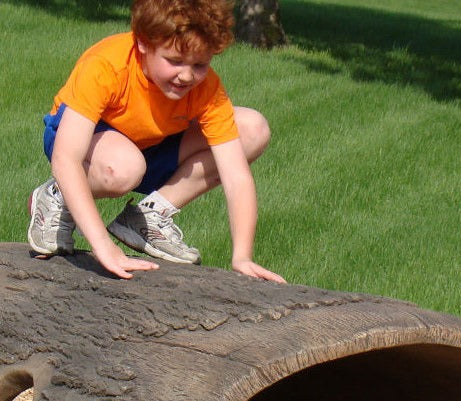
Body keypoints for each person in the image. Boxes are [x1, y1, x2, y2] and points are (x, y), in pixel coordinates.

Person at [27, 0, 284, 283]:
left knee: (252, 129)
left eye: (200, 64)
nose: (187, 75)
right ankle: (57, 195)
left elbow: (236, 176)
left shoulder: (206, 88)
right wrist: (104, 246)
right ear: (143, 43)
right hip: (86, 141)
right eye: (174, 61)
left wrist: (242, 257)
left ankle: (149, 217)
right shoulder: (107, 65)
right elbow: (66, 157)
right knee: (123, 167)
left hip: (151, 143)